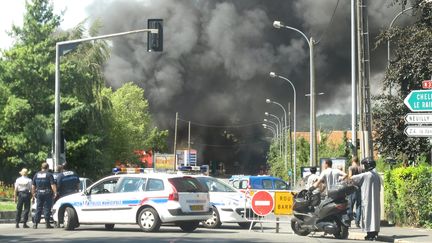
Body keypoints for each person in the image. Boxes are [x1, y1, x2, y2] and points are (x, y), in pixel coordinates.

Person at [350, 157, 381, 241]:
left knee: (368, 215)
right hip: (376, 199)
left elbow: (352, 178)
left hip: (367, 198)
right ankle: (374, 233)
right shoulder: (377, 175)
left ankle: (369, 234)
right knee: (375, 215)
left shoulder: (366, 175)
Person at [32, 162, 57, 229]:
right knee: (47, 208)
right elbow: (52, 185)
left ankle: (35, 224)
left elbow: (33, 185)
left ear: (41, 167)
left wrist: (33, 193)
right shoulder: (49, 175)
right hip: (47, 193)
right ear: (47, 168)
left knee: (38, 208)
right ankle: (47, 224)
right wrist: (55, 192)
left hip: (39, 193)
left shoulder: (36, 174)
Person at [348, 156, 363, 228]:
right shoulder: (361, 168)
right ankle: (357, 222)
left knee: (350, 205)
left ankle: (349, 221)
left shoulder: (351, 168)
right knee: (359, 205)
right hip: (359, 188)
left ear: (352, 160)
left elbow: (350, 177)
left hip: (352, 187)